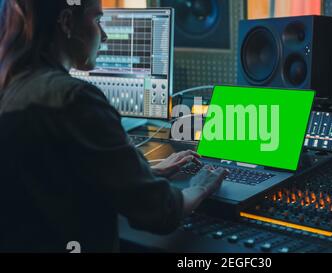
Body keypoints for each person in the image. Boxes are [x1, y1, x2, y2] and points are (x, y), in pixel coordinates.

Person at [0, 0, 227, 252]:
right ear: (66, 22)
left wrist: (144, 175)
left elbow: (59, 181)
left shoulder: (11, 88)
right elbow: (159, 212)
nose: (105, 36)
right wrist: (200, 187)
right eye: (97, 21)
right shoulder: (75, 99)